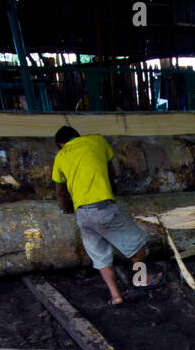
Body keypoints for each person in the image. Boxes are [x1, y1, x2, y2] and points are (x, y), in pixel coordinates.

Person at [51, 125, 163, 306]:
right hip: (103, 207)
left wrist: (65, 209)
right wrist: (111, 189)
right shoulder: (97, 140)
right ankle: (142, 278)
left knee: (100, 256)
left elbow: (59, 193)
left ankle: (115, 295)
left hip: (82, 214)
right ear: (77, 136)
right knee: (137, 243)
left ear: (61, 144)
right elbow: (110, 169)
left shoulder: (61, 156)